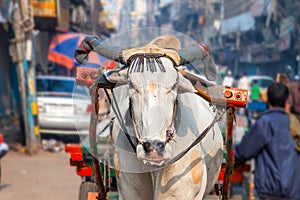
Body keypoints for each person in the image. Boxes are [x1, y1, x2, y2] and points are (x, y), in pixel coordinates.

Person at [234, 82, 300, 200]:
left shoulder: (265, 122)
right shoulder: (294, 123)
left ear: (267, 101)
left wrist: (233, 153)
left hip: (270, 192)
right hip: (294, 192)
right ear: (286, 101)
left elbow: (244, 151)